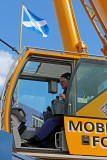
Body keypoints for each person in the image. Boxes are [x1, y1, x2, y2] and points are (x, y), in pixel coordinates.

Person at [22, 72, 71, 147]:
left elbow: (78, 103)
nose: (61, 84)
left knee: (52, 121)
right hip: (66, 115)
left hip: (72, 117)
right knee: (48, 115)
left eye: (62, 82)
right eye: (60, 83)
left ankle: (36, 139)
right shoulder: (67, 90)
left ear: (69, 80)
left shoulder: (75, 91)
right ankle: (43, 142)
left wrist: (65, 98)